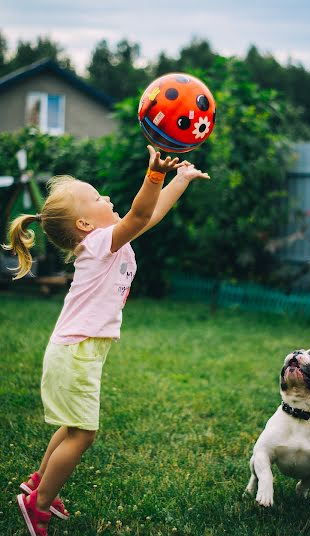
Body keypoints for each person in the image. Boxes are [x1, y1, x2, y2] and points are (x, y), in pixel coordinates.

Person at [3, 145, 209, 536]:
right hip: (76, 352)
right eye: (98, 198)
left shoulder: (106, 242)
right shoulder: (100, 244)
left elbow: (152, 215)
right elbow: (142, 212)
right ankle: (39, 505)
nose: (108, 198)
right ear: (84, 225)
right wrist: (154, 175)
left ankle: (37, 484)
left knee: (70, 426)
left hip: (77, 350)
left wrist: (179, 179)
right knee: (82, 433)